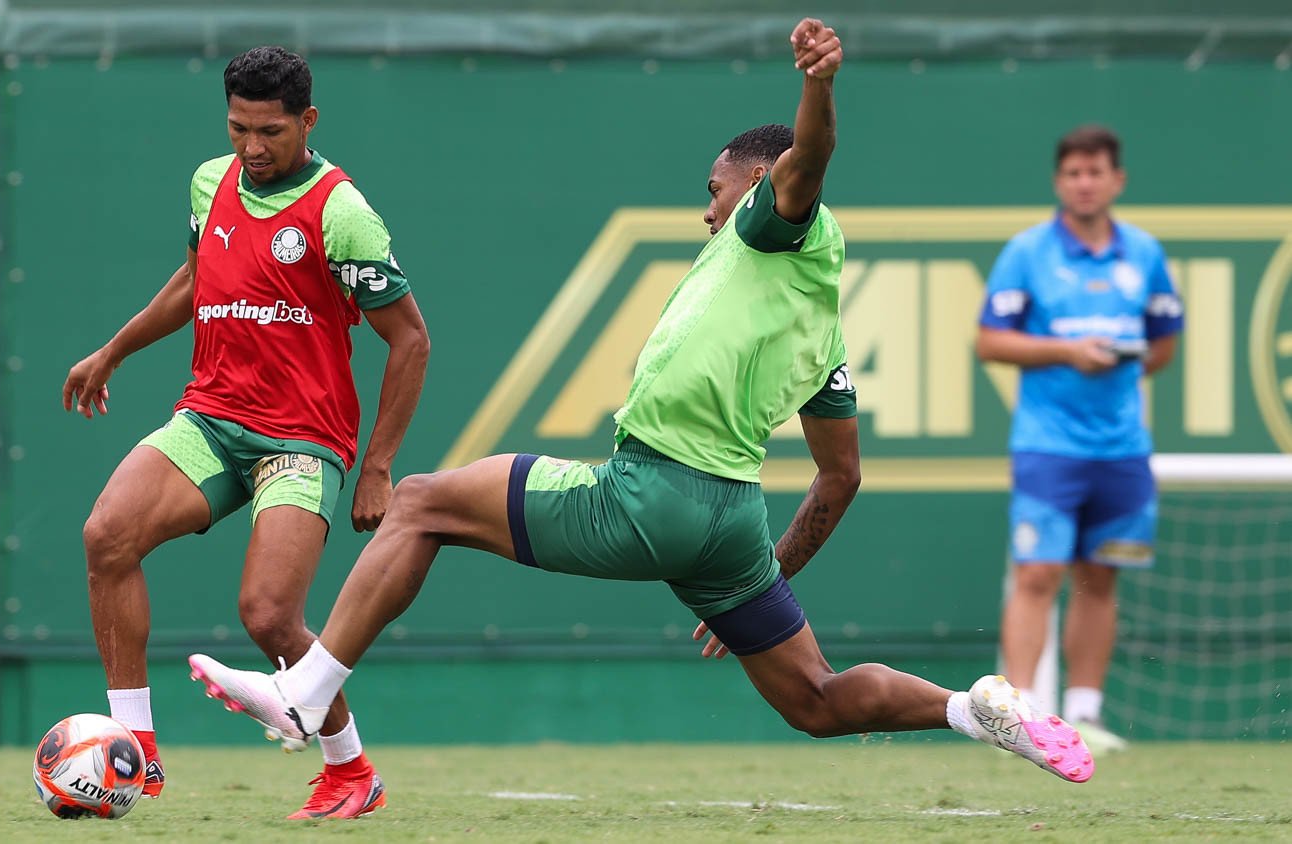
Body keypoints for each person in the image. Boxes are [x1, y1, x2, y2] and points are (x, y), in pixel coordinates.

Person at [186, 20, 1095, 799]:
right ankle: (968, 709)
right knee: (814, 700)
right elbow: (841, 475)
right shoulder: (818, 328)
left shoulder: (778, 221)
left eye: (714, 189)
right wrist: (765, 572)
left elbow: (808, 161)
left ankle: (307, 694)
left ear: (758, 182)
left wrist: (817, 88)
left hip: (648, 492)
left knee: (421, 499)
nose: (708, 212)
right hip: (732, 523)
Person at [61, 46, 430, 817]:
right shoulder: (211, 180)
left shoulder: (341, 211)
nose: (253, 148)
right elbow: (195, 282)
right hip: (210, 418)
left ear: (308, 121)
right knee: (107, 536)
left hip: (302, 438)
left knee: (267, 615)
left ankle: (350, 772)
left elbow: (411, 340)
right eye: (239, 129)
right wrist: (112, 350)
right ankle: (136, 751)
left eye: (271, 132)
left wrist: (377, 466)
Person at [976, 125, 1183, 753]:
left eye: (1096, 172)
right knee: (1037, 572)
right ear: (1058, 182)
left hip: (1121, 447)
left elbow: (1165, 339)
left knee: (1102, 578)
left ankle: (1085, 715)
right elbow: (990, 340)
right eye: (1073, 173)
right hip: (1048, 445)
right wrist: (1069, 352)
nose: (1085, 183)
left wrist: (1119, 366)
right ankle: (1020, 718)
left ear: (1117, 181)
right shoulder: (1027, 253)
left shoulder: (1143, 254)